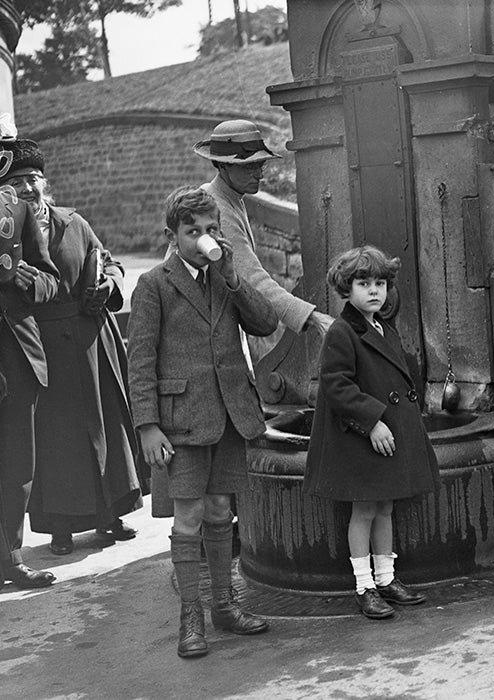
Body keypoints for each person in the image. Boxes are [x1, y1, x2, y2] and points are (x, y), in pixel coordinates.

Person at [127, 186, 277, 657]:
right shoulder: (153, 285)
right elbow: (141, 360)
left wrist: (233, 277)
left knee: (219, 512)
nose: (204, 238)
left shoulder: (223, 279)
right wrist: (148, 426)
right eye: (193, 231)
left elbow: (265, 321)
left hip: (229, 416)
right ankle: (190, 615)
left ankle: (224, 605)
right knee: (188, 517)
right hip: (181, 423)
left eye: (212, 230)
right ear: (173, 236)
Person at [0, 137, 142, 556]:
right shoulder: (5, 234)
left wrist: (108, 284)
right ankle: (60, 527)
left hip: (91, 339)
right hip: (41, 345)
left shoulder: (73, 222)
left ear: (46, 182)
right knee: (56, 438)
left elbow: (109, 261)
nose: (29, 189)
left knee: (105, 429)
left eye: (34, 179)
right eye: (18, 182)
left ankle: (111, 516)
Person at [304, 245, 437, 620]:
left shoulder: (383, 327)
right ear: (347, 289)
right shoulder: (342, 332)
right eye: (364, 283)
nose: (374, 291)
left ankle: (387, 578)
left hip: (386, 435)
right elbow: (337, 386)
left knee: (386, 505)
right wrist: (373, 421)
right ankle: (364, 585)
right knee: (363, 510)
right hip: (361, 438)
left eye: (380, 283)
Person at [194, 119, 334, 364]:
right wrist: (314, 318)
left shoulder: (230, 197)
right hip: (198, 335)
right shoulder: (214, 206)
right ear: (223, 167)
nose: (259, 174)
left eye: (260, 165)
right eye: (249, 166)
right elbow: (253, 279)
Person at [0, 121, 60, 590]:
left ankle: (10, 558)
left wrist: (28, 280)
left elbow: (50, 277)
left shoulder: (20, 214)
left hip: (18, 356)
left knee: (17, 463)